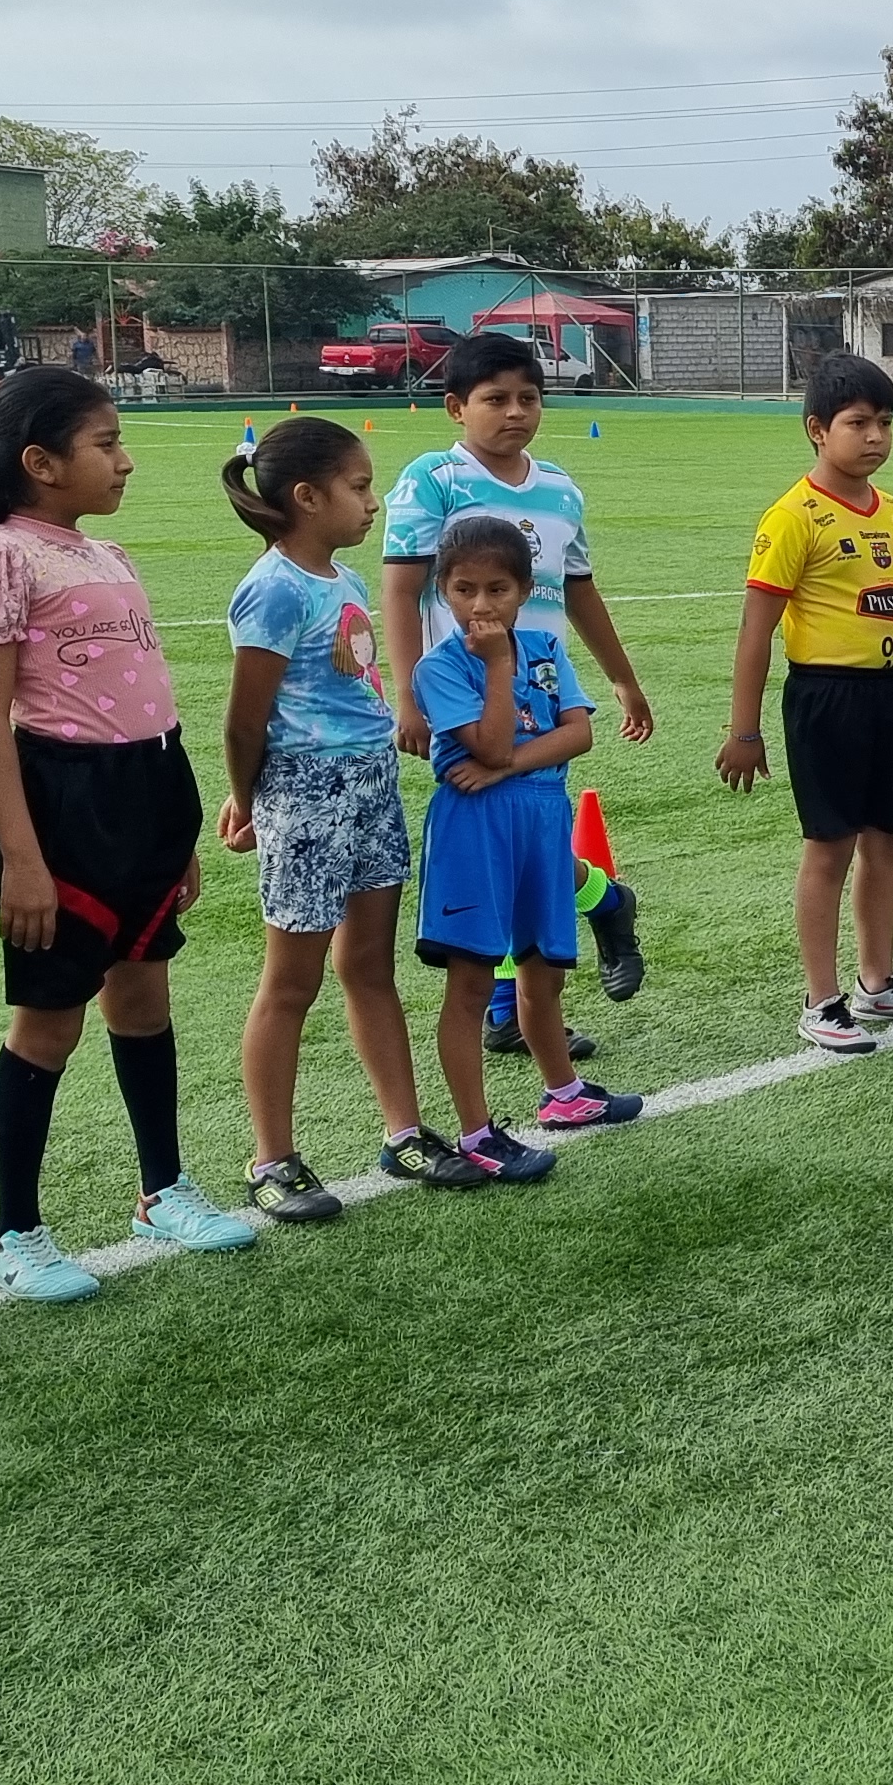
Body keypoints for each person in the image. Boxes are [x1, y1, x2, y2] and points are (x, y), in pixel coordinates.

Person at [0, 367, 257, 1297]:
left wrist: (177, 832)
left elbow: (144, 696)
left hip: (151, 787)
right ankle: (14, 1232)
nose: (126, 460)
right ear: (40, 462)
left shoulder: (106, 553)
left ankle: (163, 1190)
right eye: (106, 443)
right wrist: (22, 858)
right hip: (63, 804)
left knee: (144, 1002)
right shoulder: (1, 556)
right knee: (49, 1022)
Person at [218, 415, 472, 1214]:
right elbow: (244, 721)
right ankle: (272, 1160)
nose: (372, 502)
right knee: (290, 982)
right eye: (359, 487)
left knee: (369, 966)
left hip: (368, 784)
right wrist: (250, 800)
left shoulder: (343, 580)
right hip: (305, 793)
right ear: (306, 496)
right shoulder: (274, 588)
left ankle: (404, 1132)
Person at [378, 332, 649, 1031]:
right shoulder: (434, 479)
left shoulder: (559, 488)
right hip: (463, 699)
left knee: (525, 834)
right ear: (455, 407)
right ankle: (596, 909)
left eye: (528, 398)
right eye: (495, 399)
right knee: (491, 837)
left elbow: (580, 590)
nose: (515, 412)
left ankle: (513, 998)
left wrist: (622, 679)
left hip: (541, 695)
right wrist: (406, 694)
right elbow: (401, 591)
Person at [717, 352, 893, 1055]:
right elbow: (756, 631)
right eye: (858, 422)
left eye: (885, 421)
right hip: (827, 698)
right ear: (817, 430)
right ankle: (820, 998)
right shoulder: (793, 517)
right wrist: (744, 729)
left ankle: (876, 982)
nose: (876, 436)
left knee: (889, 837)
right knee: (830, 848)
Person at [413, 520, 640, 1168]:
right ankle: (476, 1133)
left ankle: (563, 1094)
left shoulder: (545, 648)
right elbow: (485, 745)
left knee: (544, 970)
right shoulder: (440, 667)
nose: (480, 605)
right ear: (443, 590)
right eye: (464, 590)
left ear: (524, 590)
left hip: (542, 818)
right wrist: (497, 668)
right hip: (474, 831)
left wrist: (506, 766)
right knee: (472, 983)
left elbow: (578, 734)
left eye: (497, 589)